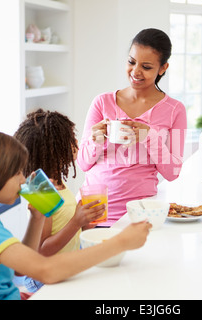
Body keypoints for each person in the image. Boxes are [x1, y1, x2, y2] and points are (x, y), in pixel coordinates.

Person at [0, 126, 151, 300]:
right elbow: (45, 270)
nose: (23, 179)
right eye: (16, 172)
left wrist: (38, 217)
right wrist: (120, 242)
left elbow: (18, 269)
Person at [77, 28, 187, 226]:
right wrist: (96, 141)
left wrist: (149, 137)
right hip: (94, 211)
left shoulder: (175, 110)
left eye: (146, 66)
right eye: (131, 62)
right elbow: (83, 163)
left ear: (162, 68)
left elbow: (173, 172)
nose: (135, 71)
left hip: (138, 214)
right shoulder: (102, 102)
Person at [13, 108, 105, 293]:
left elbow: (65, 227)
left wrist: (86, 223)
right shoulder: (42, 191)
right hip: (44, 279)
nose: (76, 143)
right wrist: (76, 221)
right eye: (70, 140)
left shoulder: (57, 183)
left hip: (61, 270)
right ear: (55, 151)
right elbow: (42, 251)